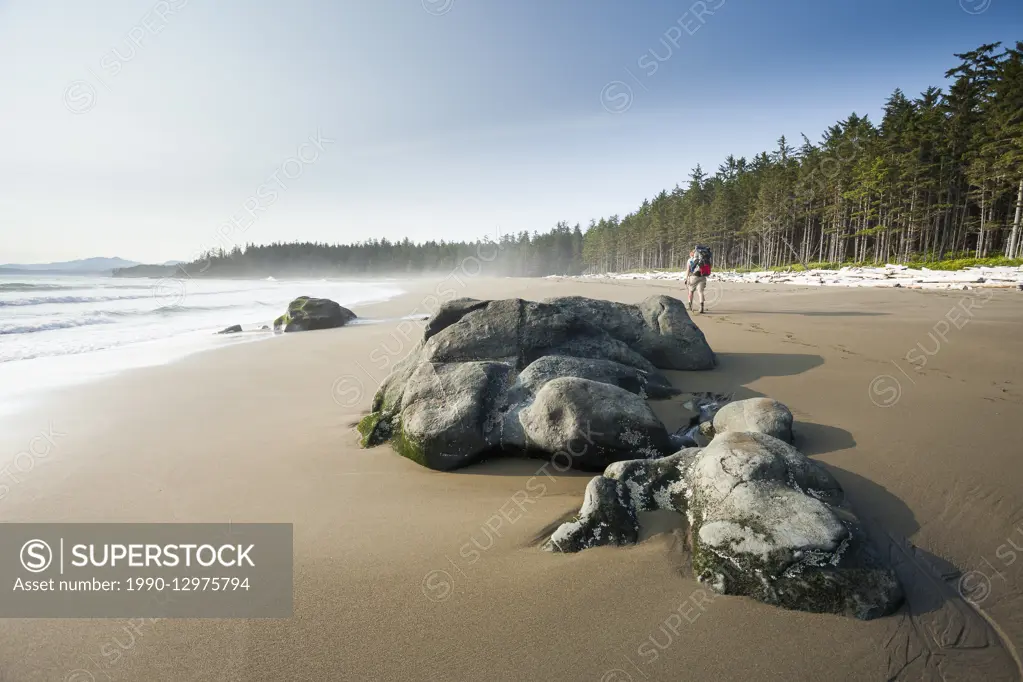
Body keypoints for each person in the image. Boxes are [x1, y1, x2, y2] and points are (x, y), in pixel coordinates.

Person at [685, 246, 711, 313]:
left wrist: (686, 278)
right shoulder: (704, 260)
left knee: (691, 291)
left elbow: (688, 270)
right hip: (703, 276)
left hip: (693, 277)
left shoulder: (690, 260)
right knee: (700, 292)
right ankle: (701, 307)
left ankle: (690, 306)